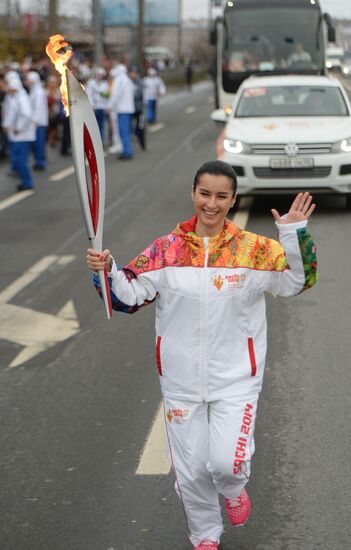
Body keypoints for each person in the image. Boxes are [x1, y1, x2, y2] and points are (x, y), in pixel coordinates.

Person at [86, 160, 317, 550]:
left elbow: (299, 281)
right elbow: (127, 296)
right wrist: (105, 269)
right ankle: (205, 537)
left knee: (227, 463)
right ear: (193, 194)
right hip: (180, 380)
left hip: (236, 378)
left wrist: (293, 234)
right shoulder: (166, 250)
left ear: (233, 200)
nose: (212, 204)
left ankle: (233, 488)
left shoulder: (255, 250)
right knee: (190, 471)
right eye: (205, 194)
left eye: (221, 196)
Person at [2, 74, 35, 191]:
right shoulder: (14, 96)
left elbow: (27, 115)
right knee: (18, 160)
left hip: (22, 135)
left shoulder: (21, 98)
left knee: (21, 160)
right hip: (16, 135)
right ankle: (25, 182)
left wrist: (18, 128)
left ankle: (27, 183)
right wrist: (6, 126)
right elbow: (10, 114)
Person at [107, 64, 135, 160]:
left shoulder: (119, 80)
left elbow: (115, 95)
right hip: (129, 109)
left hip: (122, 110)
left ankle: (127, 152)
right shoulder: (127, 80)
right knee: (126, 131)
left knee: (123, 132)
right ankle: (127, 150)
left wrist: (109, 106)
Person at [26, 71, 49, 170]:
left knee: (39, 144)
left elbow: (38, 108)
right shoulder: (33, 90)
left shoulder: (39, 92)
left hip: (39, 123)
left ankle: (41, 162)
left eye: (29, 80)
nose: (27, 81)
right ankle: (39, 161)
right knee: (36, 144)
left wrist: (35, 121)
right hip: (35, 122)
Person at [86, 67, 110, 143]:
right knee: (93, 126)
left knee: (101, 126)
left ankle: (100, 142)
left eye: (101, 75)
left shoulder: (105, 84)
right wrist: (92, 106)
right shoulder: (91, 83)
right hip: (94, 108)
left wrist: (106, 107)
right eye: (98, 74)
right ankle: (92, 142)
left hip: (102, 108)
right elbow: (89, 95)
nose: (100, 76)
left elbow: (106, 96)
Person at [129, 66, 146, 151]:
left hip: (139, 109)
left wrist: (131, 93)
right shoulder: (128, 82)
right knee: (130, 127)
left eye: (135, 73)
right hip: (131, 109)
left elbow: (139, 94)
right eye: (132, 73)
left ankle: (143, 145)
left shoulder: (140, 82)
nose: (133, 75)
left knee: (140, 128)